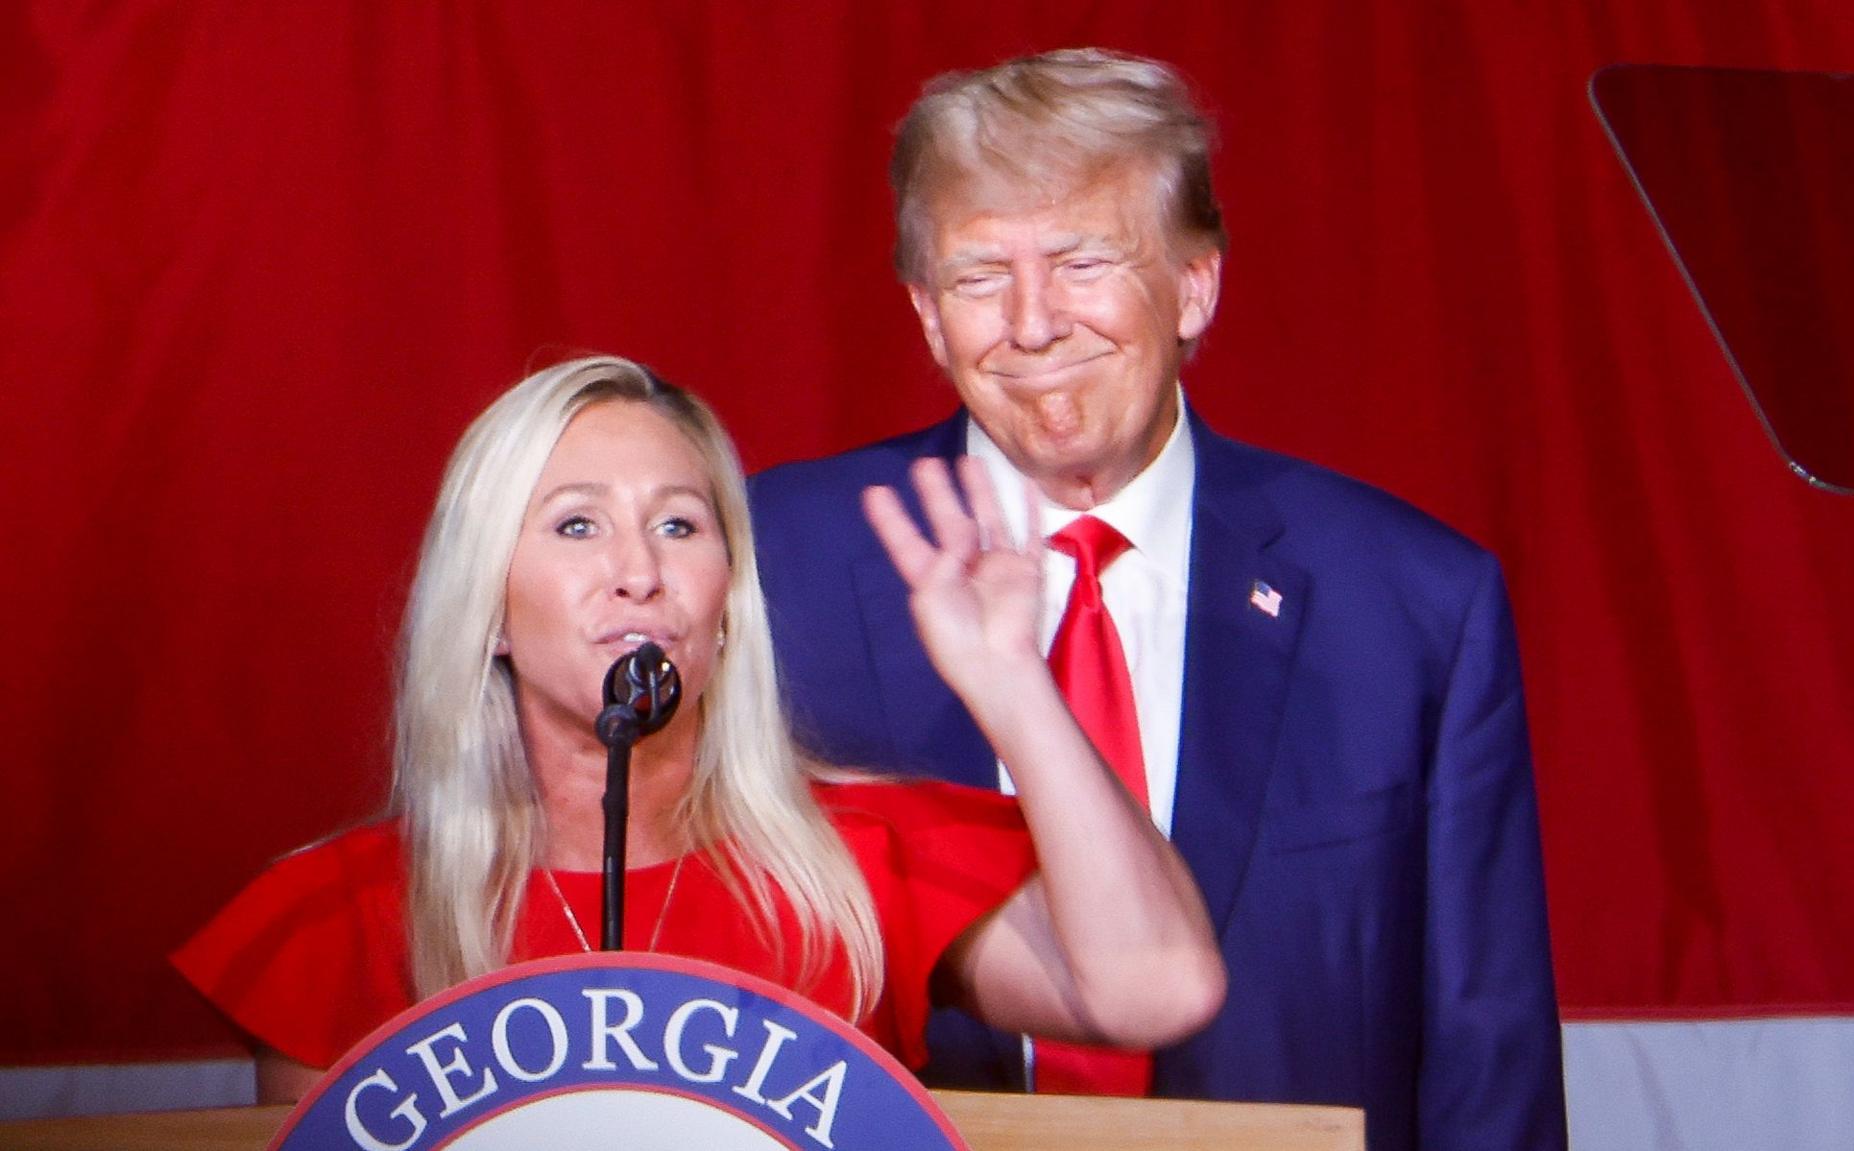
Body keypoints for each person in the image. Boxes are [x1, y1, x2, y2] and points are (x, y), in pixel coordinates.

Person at [748, 48, 1567, 1151]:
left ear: (1194, 286)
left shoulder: (1412, 602)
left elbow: (1485, 1046)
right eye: (979, 276)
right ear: (929, 317)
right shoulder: (770, 564)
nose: (1032, 324)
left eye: (1083, 262)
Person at [173, 355, 1223, 1103]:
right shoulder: (337, 919)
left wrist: (1010, 683)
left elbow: (1155, 987)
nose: (640, 569)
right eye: (576, 524)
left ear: (726, 602)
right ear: (485, 607)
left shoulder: (864, 860)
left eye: (679, 523)